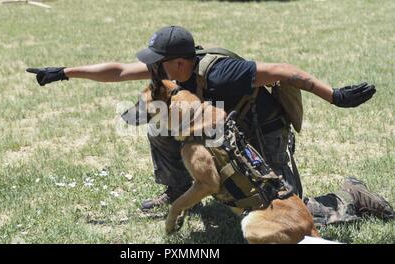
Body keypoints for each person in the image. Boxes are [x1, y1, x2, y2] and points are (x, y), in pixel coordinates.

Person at [26, 26, 394, 226]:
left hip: (260, 130)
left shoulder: (222, 72)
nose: (152, 66)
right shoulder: (167, 72)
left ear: (181, 62)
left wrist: (335, 96)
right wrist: (64, 72)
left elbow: (284, 72)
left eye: (159, 60)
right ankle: (176, 192)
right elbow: (119, 71)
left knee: (285, 209)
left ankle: (353, 197)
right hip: (218, 128)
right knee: (158, 124)